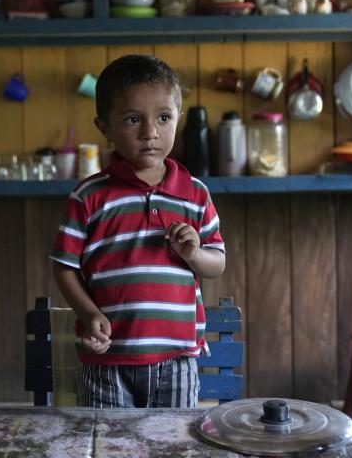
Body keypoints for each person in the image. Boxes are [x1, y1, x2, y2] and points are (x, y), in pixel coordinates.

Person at [51, 54, 226, 408]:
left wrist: (194, 254)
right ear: (105, 127)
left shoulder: (195, 194)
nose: (150, 133)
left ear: (178, 117)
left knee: (173, 445)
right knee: (107, 444)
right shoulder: (90, 196)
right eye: (133, 119)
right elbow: (64, 266)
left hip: (177, 359)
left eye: (164, 118)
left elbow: (217, 263)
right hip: (106, 359)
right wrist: (89, 314)